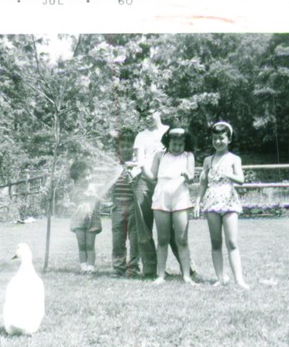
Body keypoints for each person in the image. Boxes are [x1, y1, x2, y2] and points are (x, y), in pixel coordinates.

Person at [133, 110, 196, 278]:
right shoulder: (160, 155)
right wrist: (140, 166)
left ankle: (187, 275)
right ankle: (160, 275)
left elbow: (191, 177)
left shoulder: (188, 155)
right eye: (173, 144)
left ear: (185, 143)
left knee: (181, 239)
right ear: (168, 142)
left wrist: (187, 175)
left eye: (180, 144)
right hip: (161, 198)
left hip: (180, 198)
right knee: (162, 238)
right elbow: (152, 177)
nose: (176, 147)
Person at [194, 121, 250, 289]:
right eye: (215, 138)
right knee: (215, 242)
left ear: (229, 139)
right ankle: (220, 277)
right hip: (211, 201)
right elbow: (203, 184)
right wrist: (197, 202)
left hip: (228, 200)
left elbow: (241, 180)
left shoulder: (234, 159)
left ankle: (239, 279)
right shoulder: (207, 160)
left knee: (232, 242)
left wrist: (228, 174)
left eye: (221, 138)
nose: (218, 141)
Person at [110, 128, 147, 277]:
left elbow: (139, 186)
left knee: (134, 239)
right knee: (118, 240)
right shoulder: (114, 166)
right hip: (117, 207)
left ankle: (133, 268)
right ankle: (118, 268)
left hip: (133, 206)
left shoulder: (136, 165)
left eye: (128, 145)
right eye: (122, 145)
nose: (125, 148)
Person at [69, 160, 101, 274]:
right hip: (79, 220)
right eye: (83, 176)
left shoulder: (94, 188)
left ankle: (91, 267)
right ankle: (83, 266)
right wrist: (86, 194)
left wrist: (95, 197)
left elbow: (98, 199)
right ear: (76, 179)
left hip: (92, 219)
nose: (87, 178)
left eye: (88, 175)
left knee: (90, 244)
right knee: (81, 244)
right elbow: (74, 197)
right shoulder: (75, 189)